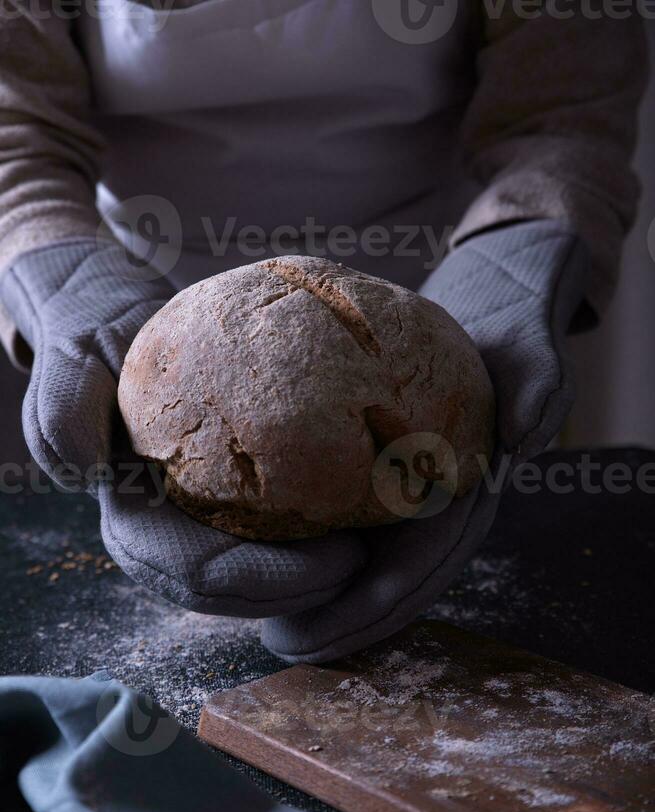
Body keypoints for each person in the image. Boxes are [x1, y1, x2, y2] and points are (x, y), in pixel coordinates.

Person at [0, 1, 647, 661]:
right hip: (155, 323)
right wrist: (68, 275)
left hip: (455, 302)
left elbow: (563, 110)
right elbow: (13, 128)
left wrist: (514, 255)